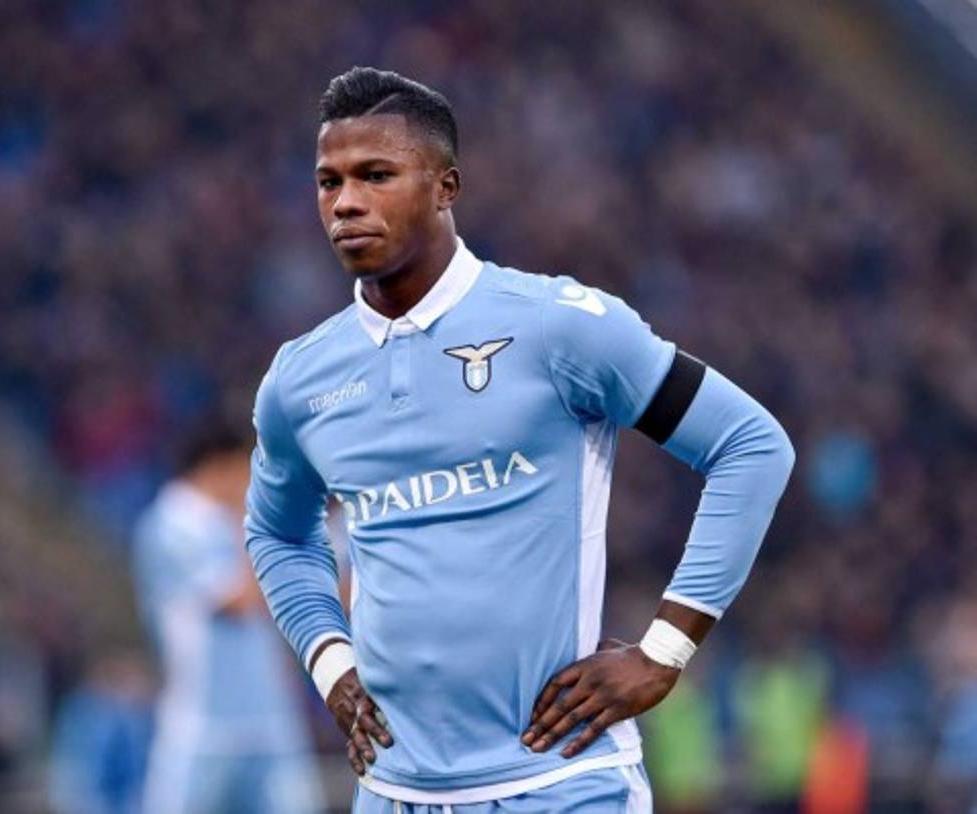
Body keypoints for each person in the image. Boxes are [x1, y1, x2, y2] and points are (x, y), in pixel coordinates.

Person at [245, 67, 795, 812]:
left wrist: (665, 651)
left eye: (376, 175)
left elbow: (750, 445)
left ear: (446, 187)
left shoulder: (556, 325)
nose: (346, 202)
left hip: (560, 785)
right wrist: (329, 659)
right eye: (328, 181)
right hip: (390, 791)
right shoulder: (302, 379)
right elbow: (277, 534)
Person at [134, 421, 323, 814]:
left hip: (270, 718)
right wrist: (255, 524)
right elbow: (243, 600)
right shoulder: (173, 524)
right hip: (204, 726)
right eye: (247, 468)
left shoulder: (229, 522)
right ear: (219, 466)